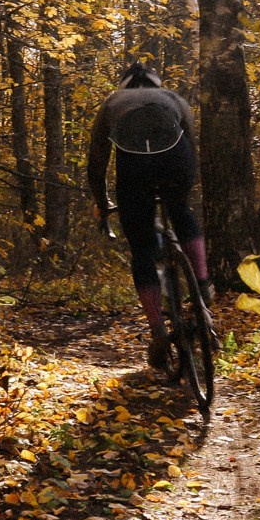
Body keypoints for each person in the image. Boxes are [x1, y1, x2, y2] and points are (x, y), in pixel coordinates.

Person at [86, 61, 209, 374]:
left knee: (142, 249)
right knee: (181, 212)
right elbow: (191, 145)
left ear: (124, 83)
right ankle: (203, 288)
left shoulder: (113, 102)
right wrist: (181, 190)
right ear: (156, 82)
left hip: (134, 171)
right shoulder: (173, 98)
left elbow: (97, 161)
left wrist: (102, 203)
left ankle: (157, 332)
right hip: (176, 162)